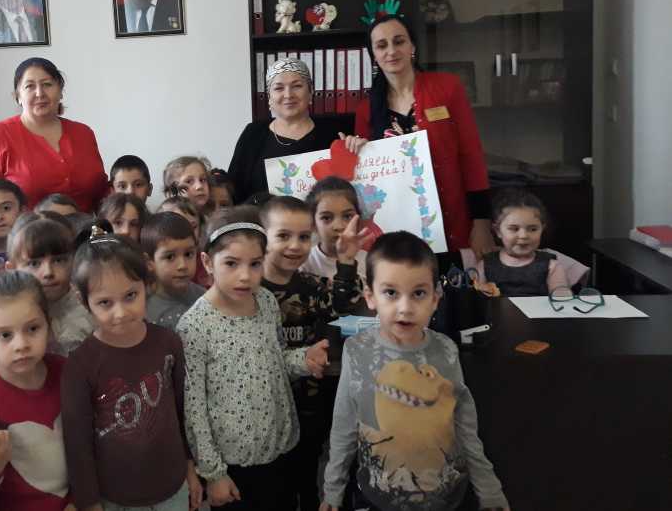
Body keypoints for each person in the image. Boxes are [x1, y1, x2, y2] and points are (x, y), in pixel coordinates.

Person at [320, 231, 509, 511]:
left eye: (418, 293)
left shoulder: (446, 350)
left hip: (445, 497)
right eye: (391, 293)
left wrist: (490, 491)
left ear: (435, 299)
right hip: (378, 498)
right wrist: (332, 491)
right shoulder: (356, 350)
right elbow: (344, 425)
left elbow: (465, 425)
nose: (405, 308)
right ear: (370, 297)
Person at [176, 206, 330, 511]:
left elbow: (277, 359)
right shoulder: (194, 326)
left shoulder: (266, 301)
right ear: (207, 262)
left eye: (255, 264)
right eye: (231, 263)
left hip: (280, 448)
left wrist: (304, 359)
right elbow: (194, 410)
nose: (245, 276)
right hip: (234, 465)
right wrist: (214, 474)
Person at [63, 230, 202, 511]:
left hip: (173, 486)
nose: (121, 312)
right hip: (115, 497)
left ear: (146, 285)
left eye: (130, 296)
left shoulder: (168, 342)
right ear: (82, 300)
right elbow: (77, 443)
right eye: (105, 302)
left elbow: (183, 411)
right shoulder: (80, 365)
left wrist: (190, 467)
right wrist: (89, 502)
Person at [353, 13, 494, 257]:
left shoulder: (448, 88)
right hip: (397, 227)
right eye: (382, 45)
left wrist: (481, 222)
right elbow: (367, 180)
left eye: (399, 41)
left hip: (453, 216)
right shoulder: (366, 109)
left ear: (412, 47)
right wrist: (355, 149)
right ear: (373, 55)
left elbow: (471, 155)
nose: (391, 51)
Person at [259, 196, 367, 511]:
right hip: (268, 406)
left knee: (308, 473)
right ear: (262, 237)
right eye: (283, 235)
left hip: (311, 402)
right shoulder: (248, 290)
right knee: (276, 483)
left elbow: (343, 306)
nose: (295, 245)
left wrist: (346, 260)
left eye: (304, 236)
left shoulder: (312, 285)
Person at [0, 271, 72, 510]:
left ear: (49, 326)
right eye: (5, 335)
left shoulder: (67, 373)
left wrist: (80, 501)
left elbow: (90, 447)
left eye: (32, 329)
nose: (21, 345)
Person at [0, 57, 109, 211]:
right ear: (18, 97)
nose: (40, 93)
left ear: (60, 92)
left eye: (47, 84)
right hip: (24, 227)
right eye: (30, 86)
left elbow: (102, 193)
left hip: (85, 226)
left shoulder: (83, 134)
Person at [227, 58, 357, 204]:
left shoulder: (335, 133)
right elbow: (233, 192)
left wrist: (360, 150)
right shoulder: (253, 134)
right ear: (269, 97)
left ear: (310, 92)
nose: (288, 95)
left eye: (297, 86)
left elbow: (350, 187)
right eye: (279, 88)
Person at [6, 211, 94, 356]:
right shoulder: (4, 317)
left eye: (58, 260)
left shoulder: (92, 311)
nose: (48, 272)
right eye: (34, 263)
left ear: (75, 260)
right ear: (12, 269)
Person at [478, 188, 568, 296]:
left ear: (542, 229)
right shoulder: (485, 265)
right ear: (498, 231)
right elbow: (476, 299)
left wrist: (561, 294)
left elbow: (562, 300)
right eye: (514, 229)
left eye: (533, 229)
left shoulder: (551, 266)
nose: (523, 236)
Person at [302, 177, 370, 285]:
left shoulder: (369, 262)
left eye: (347, 216)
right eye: (326, 218)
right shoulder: (304, 262)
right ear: (313, 224)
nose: (338, 226)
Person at [142, 212, 204, 330]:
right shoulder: (141, 307)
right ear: (149, 262)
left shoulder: (203, 298)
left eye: (188, 254)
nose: (182, 265)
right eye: (170, 257)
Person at [156, 196, 210, 288]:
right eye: (176, 226)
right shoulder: (157, 261)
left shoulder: (205, 262)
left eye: (193, 227)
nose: (186, 233)